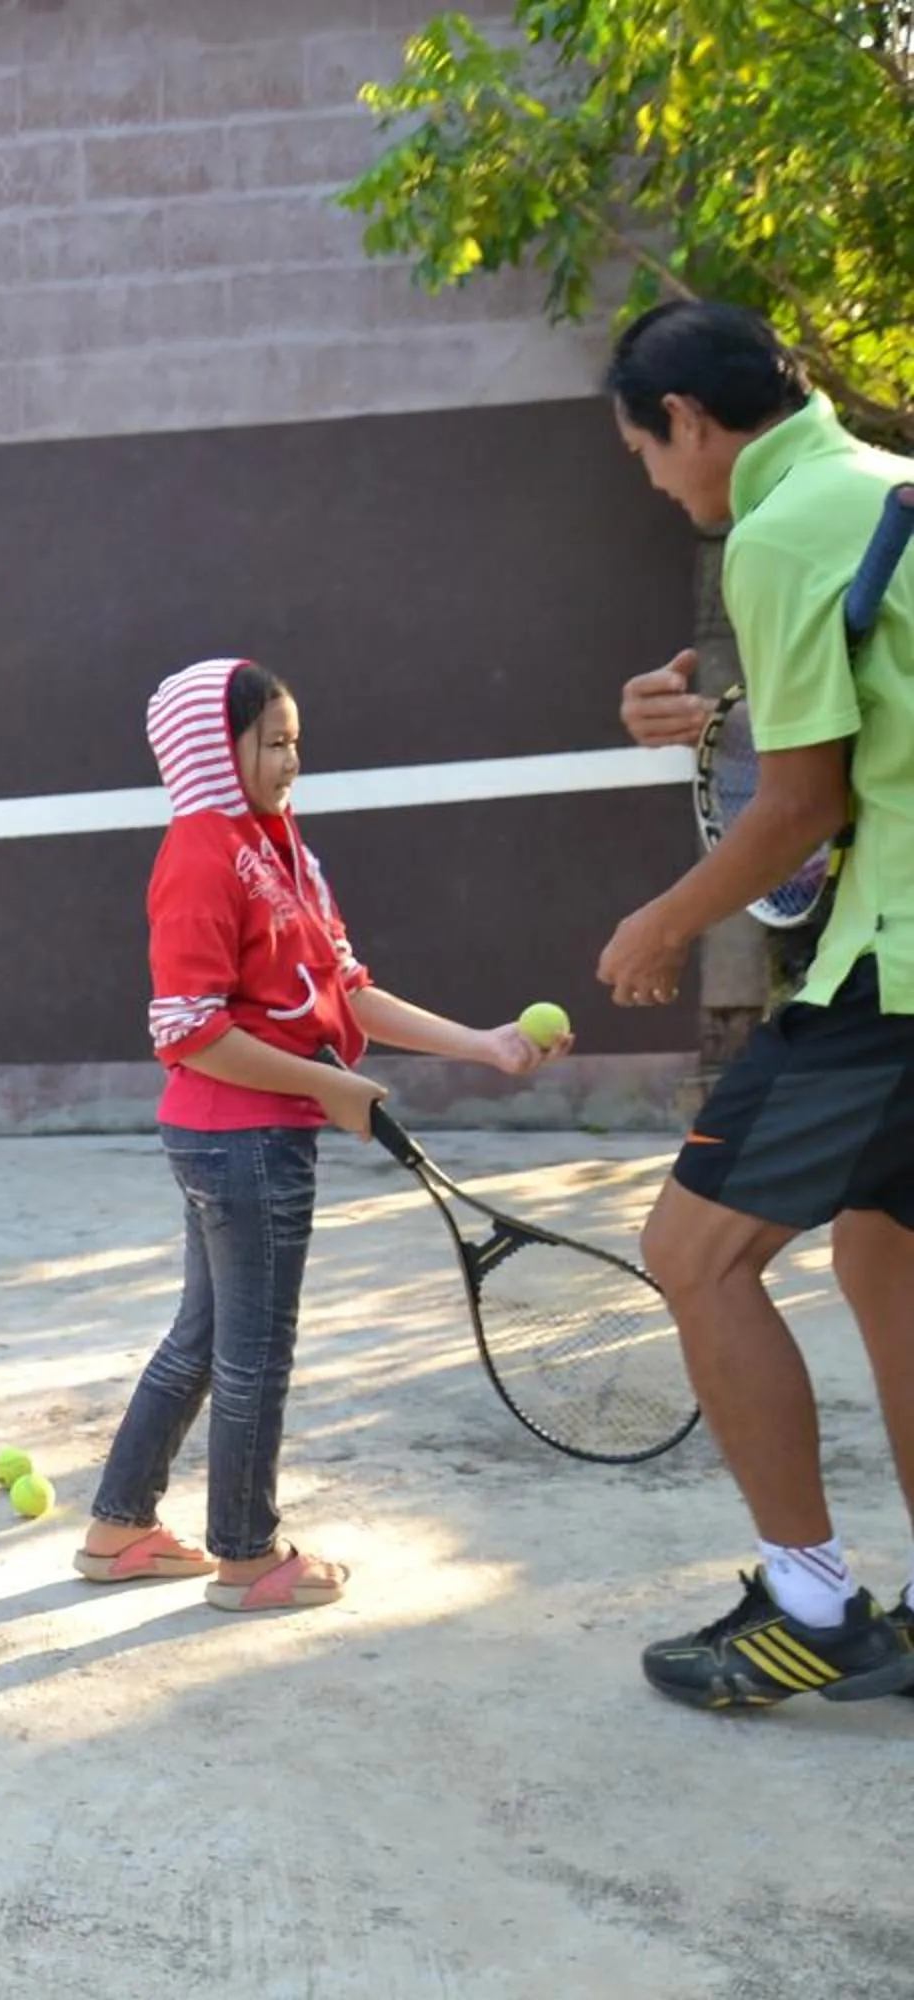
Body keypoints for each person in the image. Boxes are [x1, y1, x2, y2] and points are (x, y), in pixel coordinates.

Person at [73, 658, 557, 1611]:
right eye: (275, 741)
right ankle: (248, 1559)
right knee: (255, 1354)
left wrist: (487, 1048)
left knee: (207, 1342)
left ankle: (119, 1530)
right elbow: (189, 1031)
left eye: (297, 739)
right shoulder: (202, 856)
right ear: (218, 748)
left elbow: (349, 990)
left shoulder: (281, 848)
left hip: (249, 1138)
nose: (294, 758)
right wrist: (322, 1087)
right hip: (240, 1143)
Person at [591, 299, 914, 1708]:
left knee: (693, 1254)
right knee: (884, 1258)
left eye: (647, 458)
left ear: (689, 422)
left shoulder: (777, 534)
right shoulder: (885, 486)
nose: (660, 488)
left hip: (893, 971)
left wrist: (660, 924)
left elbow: (806, 804)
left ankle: (810, 1604)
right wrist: (706, 716)